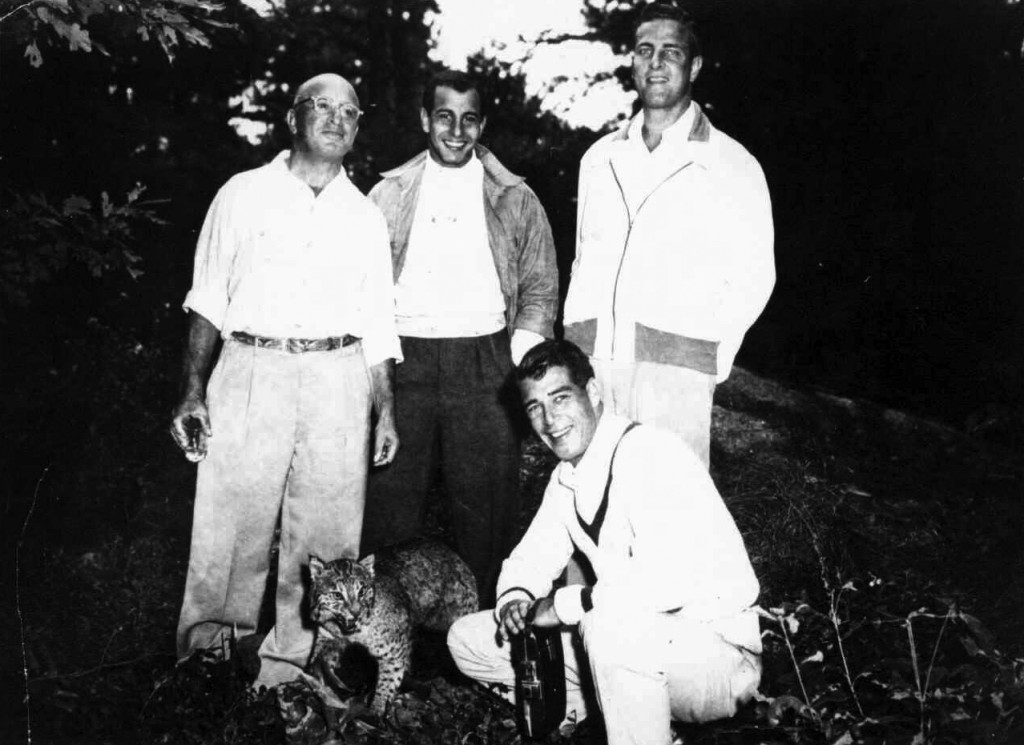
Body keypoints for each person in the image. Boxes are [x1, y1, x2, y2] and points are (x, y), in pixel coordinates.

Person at [168, 73, 401, 689]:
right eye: (321, 106)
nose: (335, 119)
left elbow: (378, 322)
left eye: (349, 111)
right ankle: (210, 659)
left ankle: (295, 669)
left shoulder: (366, 215)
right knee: (230, 521)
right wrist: (192, 389)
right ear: (292, 119)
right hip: (251, 367)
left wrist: (385, 409)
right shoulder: (243, 194)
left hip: (338, 378)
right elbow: (208, 299)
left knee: (327, 537)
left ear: (357, 128)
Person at [448, 340, 762, 745]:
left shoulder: (650, 452)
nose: (549, 419)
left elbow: (667, 584)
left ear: (593, 393)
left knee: (607, 627)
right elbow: (533, 556)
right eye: (534, 407)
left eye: (560, 398)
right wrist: (514, 599)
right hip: (637, 644)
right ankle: (590, 707)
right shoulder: (567, 475)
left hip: (717, 659)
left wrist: (561, 605)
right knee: (467, 638)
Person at [360, 70, 558, 600]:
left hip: (486, 362)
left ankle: (484, 643)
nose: (456, 131)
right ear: (426, 119)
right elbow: (363, 288)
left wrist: (517, 360)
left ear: (482, 124)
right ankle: (388, 641)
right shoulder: (387, 194)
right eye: (444, 116)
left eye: (469, 119)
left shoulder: (515, 197)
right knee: (389, 507)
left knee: (487, 510)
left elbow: (540, 286)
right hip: (406, 362)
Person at [563, 1, 775, 467]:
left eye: (671, 52)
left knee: (671, 508)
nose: (655, 62)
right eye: (644, 50)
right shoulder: (598, 158)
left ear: (694, 65)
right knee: (596, 496)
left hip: (677, 373)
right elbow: (584, 258)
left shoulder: (731, 162)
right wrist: (576, 347)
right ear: (633, 62)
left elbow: (756, 275)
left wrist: (707, 358)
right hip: (596, 361)